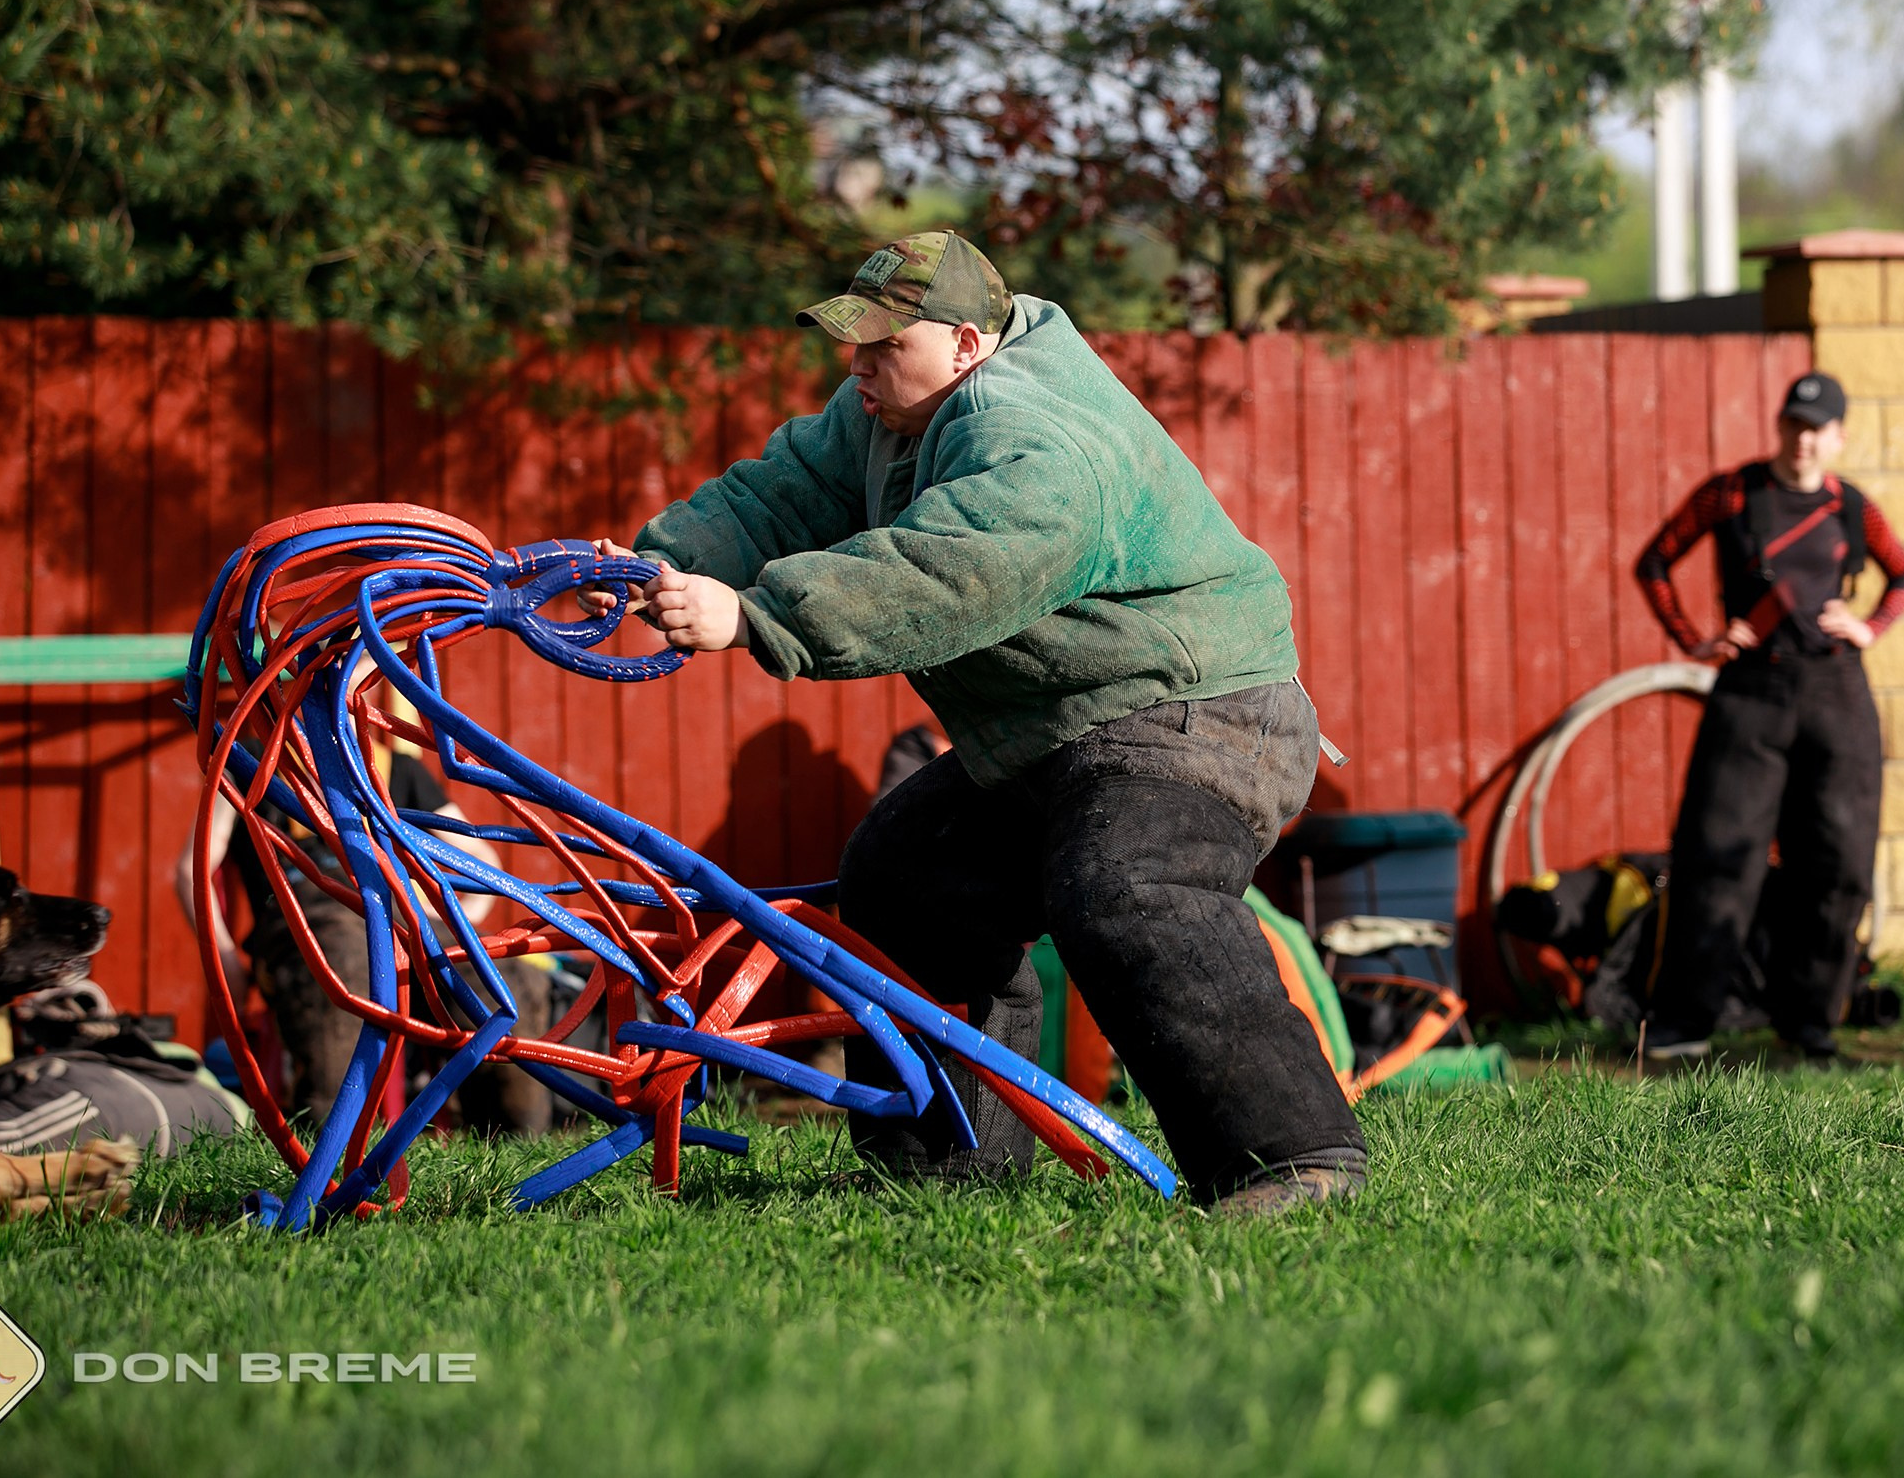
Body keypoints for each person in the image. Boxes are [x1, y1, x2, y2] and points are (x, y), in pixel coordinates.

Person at [585, 229, 1365, 1213]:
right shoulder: (885, 411)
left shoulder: (1032, 435)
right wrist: (646, 567)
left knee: (1128, 884)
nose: (859, 366)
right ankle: (944, 1170)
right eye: (852, 344)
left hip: (1196, 711)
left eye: (883, 346)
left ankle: (1292, 1160)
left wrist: (755, 614)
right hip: (1058, 733)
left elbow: (955, 568)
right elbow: (777, 498)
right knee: (908, 882)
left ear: (964, 343)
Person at [1630, 371, 1904, 1060]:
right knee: (1717, 855)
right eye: (1795, 423)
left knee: (1839, 860)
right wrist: (1695, 639)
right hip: (1750, 696)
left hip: (1837, 694)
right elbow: (1655, 561)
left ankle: (1809, 1022)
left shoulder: (1853, 506)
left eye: (1819, 427)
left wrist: (1870, 625)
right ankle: (1684, 1024)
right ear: (1779, 426)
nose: (1805, 438)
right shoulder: (1731, 493)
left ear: (1839, 436)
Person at [176, 752, 554, 1134]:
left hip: (398, 915)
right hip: (306, 916)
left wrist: (447, 916)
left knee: (497, 978)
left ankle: (509, 1151)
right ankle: (331, 1156)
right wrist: (226, 963)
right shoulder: (249, 762)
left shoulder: (393, 766)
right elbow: (193, 868)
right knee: (341, 966)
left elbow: (481, 861)